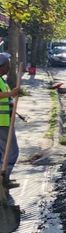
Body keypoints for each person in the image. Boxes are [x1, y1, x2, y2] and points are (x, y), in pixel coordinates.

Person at [0, 53, 20, 188]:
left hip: (5, 121)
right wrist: (11, 93)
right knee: (12, 151)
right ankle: (4, 179)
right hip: (2, 122)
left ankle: (3, 179)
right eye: (8, 65)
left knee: (3, 152)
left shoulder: (1, 80)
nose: (9, 68)